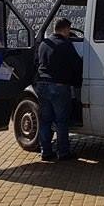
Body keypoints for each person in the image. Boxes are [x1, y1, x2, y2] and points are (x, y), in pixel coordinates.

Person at [35, 18, 83, 161]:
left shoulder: (44, 43)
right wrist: (77, 81)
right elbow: (77, 64)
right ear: (65, 29)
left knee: (45, 120)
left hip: (42, 85)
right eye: (69, 30)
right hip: (59, 86)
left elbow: (37, 62)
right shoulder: (66, 44)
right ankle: (63, 152)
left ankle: (46, 151)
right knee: (61, 121)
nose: (69, 33)